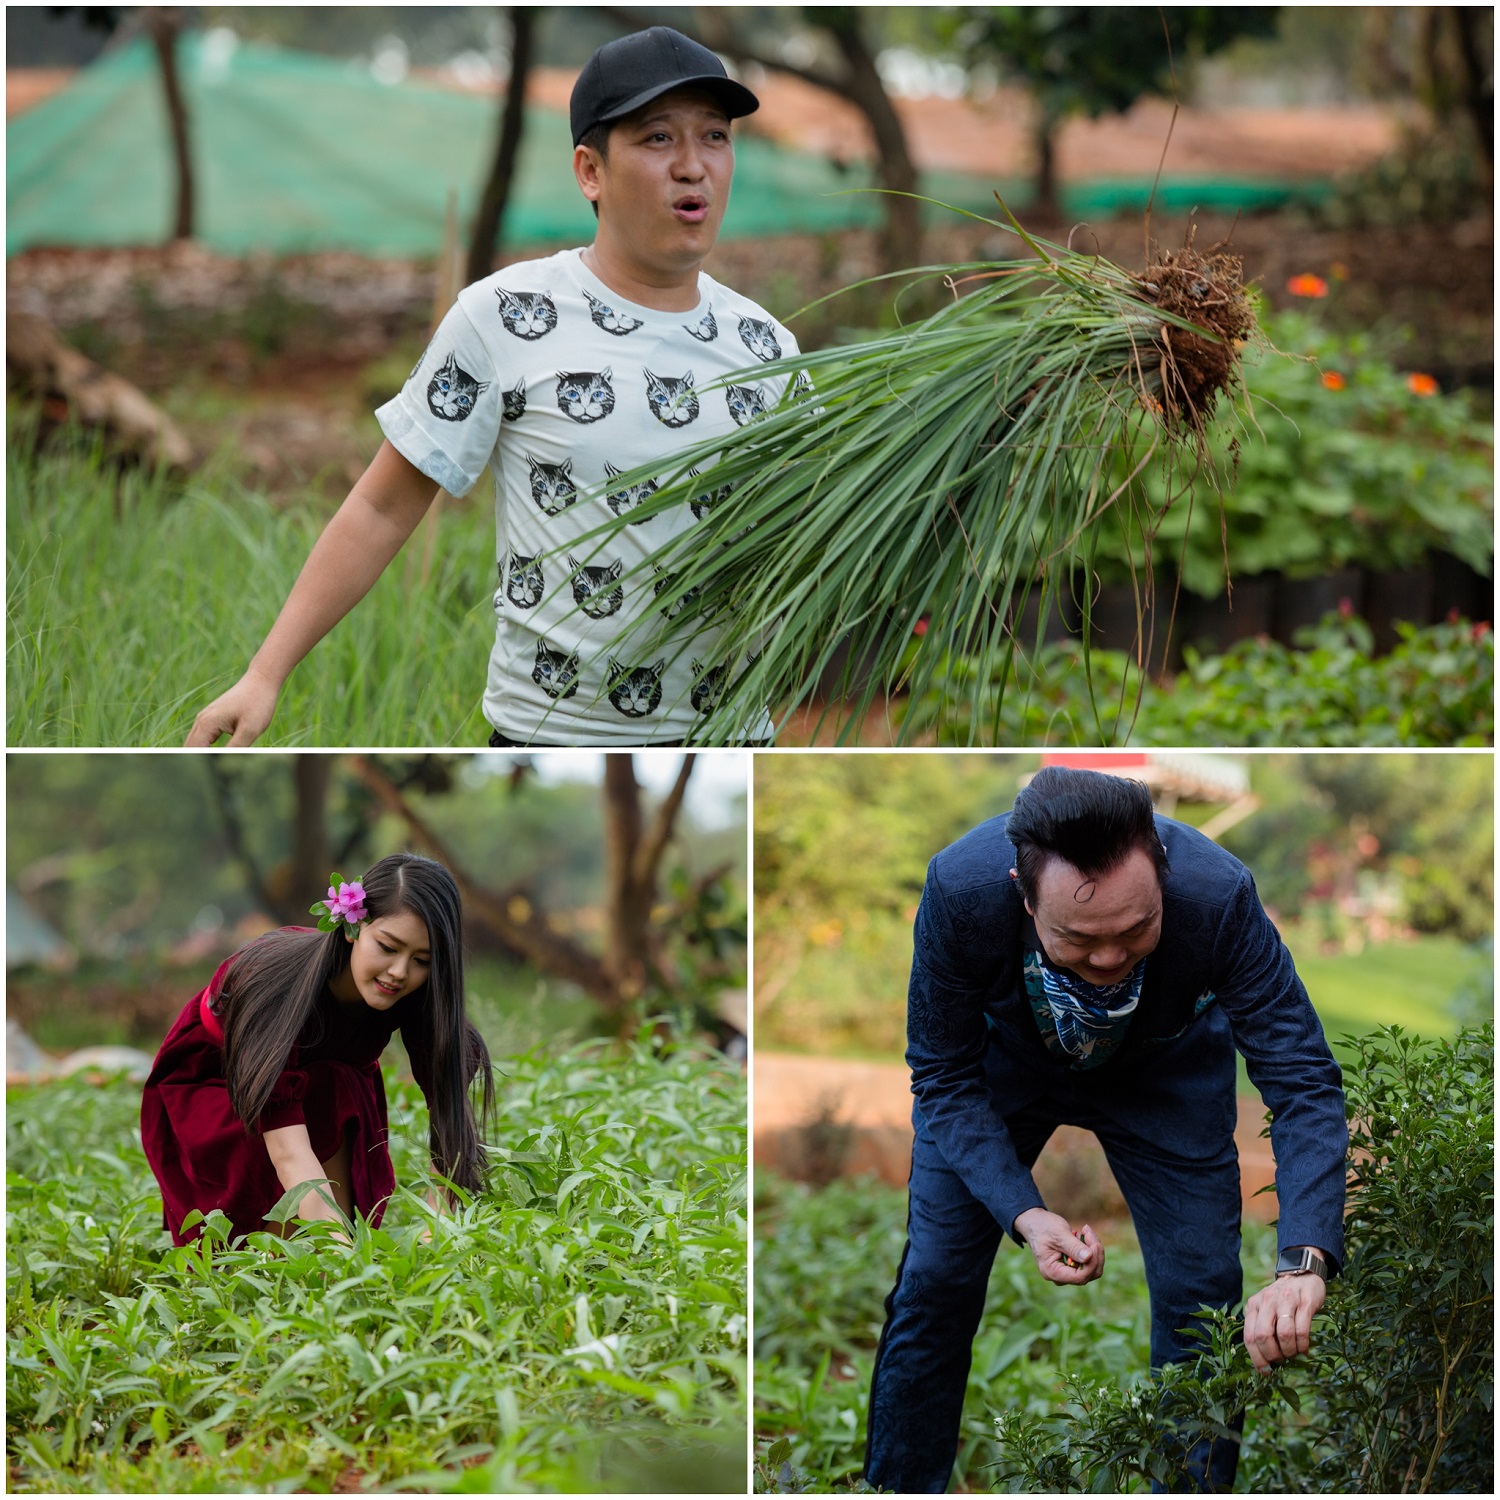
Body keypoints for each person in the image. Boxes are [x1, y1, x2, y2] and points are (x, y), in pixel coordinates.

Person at [187, 26, 797, 748]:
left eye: (715, 137)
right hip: (552, 734)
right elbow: (382, 508)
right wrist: (263, 675)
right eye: (658, 139)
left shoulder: (768, 347)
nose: (693, 166)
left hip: (733, 739)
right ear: (590, 171)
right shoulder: (507, 316)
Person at [864, 766, 1348, 1493]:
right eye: (1078, 938)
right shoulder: (960, 891)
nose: (1110, 958)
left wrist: (1304, 1262)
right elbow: (942, 1074)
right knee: (934, 1282)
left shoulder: (1218, 896)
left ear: (1162, 868)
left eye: (1137, 929)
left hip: (1167, 1072)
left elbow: (1302, 1079)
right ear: (1022, 896)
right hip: (1001, 1073)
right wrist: (1024, 1214)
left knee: (1202, 1302)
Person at [140, 853, 493, 1244]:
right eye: (388, 947)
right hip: (216, 1090)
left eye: (422, 960)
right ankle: (304, 1253)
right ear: (352, 927)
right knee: (331, 1089)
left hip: (318, 1092)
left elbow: (450, 1129)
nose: (399, 972)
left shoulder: (418, 993)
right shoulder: (272, 983)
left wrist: (435, 1230)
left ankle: (318, 1255)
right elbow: (288, 1149)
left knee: (337, 1082)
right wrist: (344, 1261)